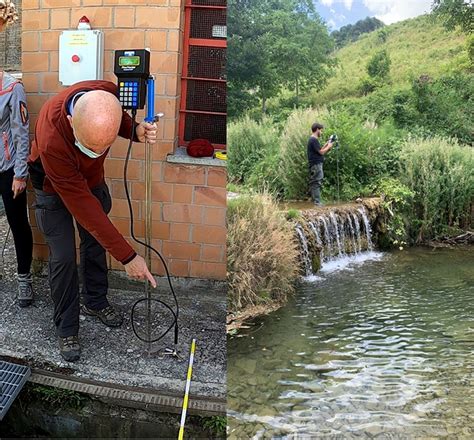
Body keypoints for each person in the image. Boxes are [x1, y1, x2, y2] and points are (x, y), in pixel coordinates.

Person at [28, 80, 158, 362]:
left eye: (102, 148)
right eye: (89, 147)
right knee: (62, 257)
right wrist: (128, 256)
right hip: (52, 185)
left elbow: (119, 117)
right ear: (72, 121)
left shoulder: (106, 91)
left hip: (90, 181)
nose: (96, 154)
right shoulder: (52, 138)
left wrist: (134, 131)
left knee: (95, 242)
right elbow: (85, 209)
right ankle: (67, 328)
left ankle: (96, 301)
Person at [0, 4, 34, 307]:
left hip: (8, 169)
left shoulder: (12, 89)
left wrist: (21, 173)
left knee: (17, 222)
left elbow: (22, 132)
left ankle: (24, 279)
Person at [307, 122, 334, 206]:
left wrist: (327, 144)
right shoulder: (313, 140)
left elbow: (319, 150)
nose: (321, 133)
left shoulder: (313, 140)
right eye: (321, 131)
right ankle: (317, 203)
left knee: (316, 182)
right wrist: (329, 147)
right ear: (317, 130)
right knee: (316, 182)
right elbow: (321, 152)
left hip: (316, 164)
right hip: (316, 165)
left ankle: (317, 202)